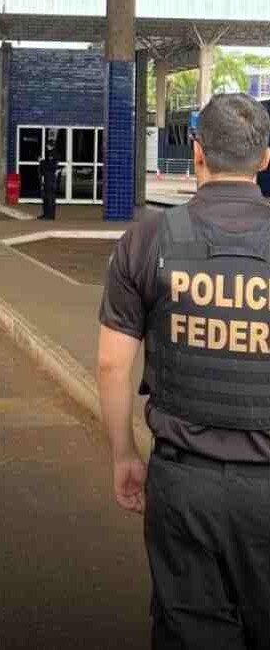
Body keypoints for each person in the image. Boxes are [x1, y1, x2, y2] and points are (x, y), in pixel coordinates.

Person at [96, 93, 270, 648]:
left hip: (183, 484)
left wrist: (124, 453)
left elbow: (111, 364)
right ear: (265, 158)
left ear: (197, 152)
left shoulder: (147, 239)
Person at [38, 144, 59, 219]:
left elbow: (50, 166)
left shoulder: (53, 154)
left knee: (49, 197)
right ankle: (46, 214)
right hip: (48, 177)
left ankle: (49, 215)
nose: (46, 147)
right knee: (46, 197)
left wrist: (41, 161)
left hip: (50, 178)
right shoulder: (50, 153)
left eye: (48, 145)